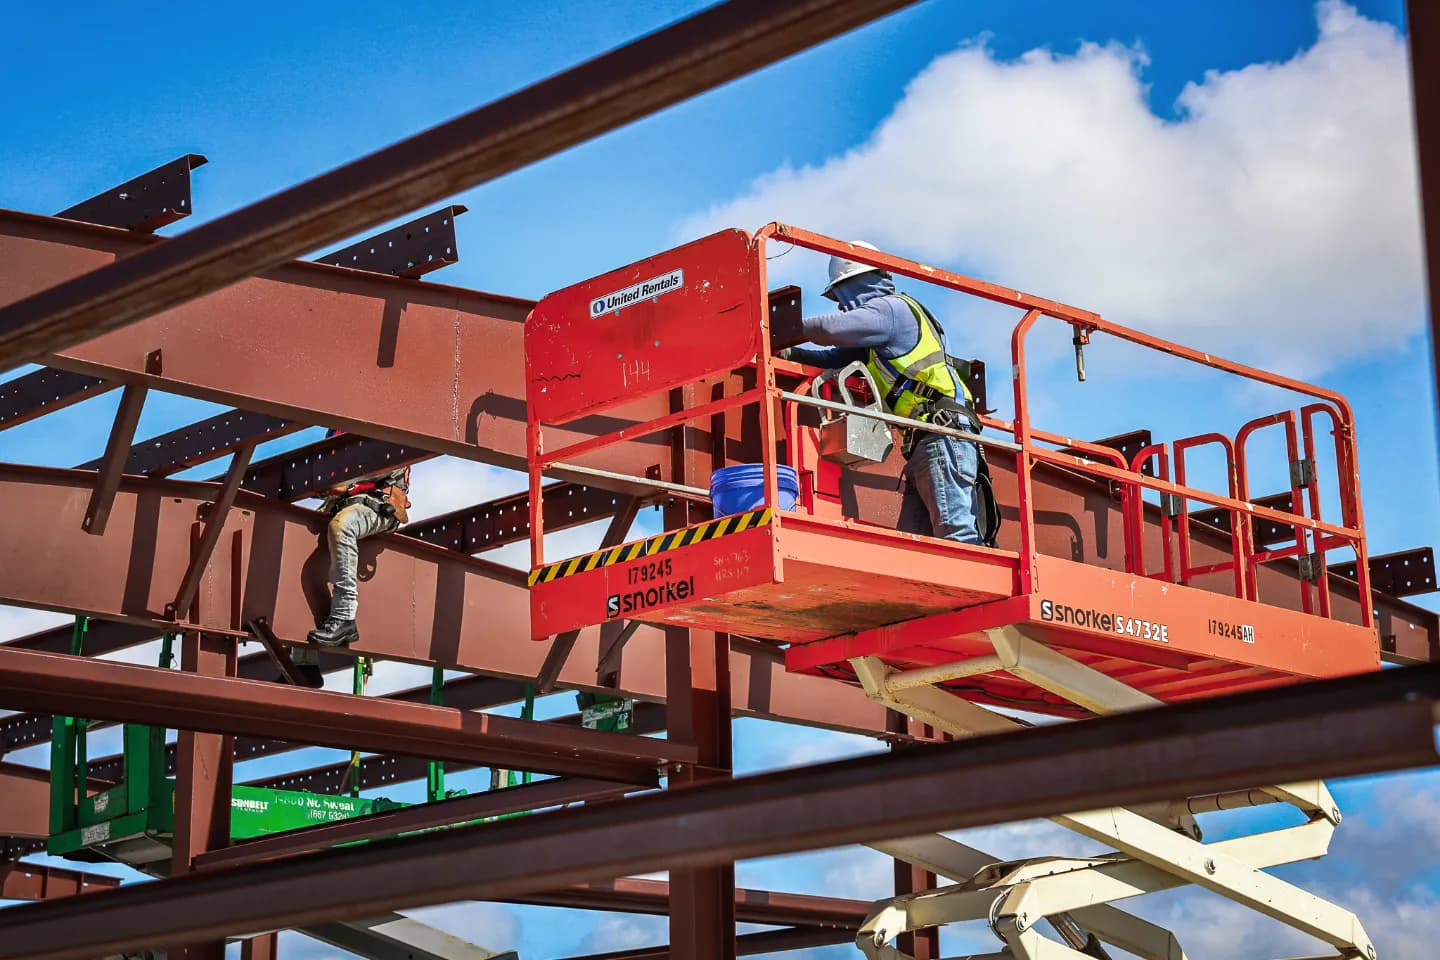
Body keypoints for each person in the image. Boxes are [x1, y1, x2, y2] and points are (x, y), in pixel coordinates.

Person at [775, 241, 996, 546]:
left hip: (942, 436)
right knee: (916, 547)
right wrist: (788, 351)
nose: (840, 306)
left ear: (855, 284)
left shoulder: (891, 310)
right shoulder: (877, 337)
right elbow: (834, 357)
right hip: (927, 441)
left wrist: (781, 326)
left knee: (956, 536)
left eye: (840, 296)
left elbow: (831, 329)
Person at [309, 432, 413, 647]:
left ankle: (345, 615)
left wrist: (347, 484)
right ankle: (303, 660)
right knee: (302, 537)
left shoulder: (384, 421)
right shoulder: (335, 430)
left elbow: (389, 465)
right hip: (342, 503)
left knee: (343, 526)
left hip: (378, 505)